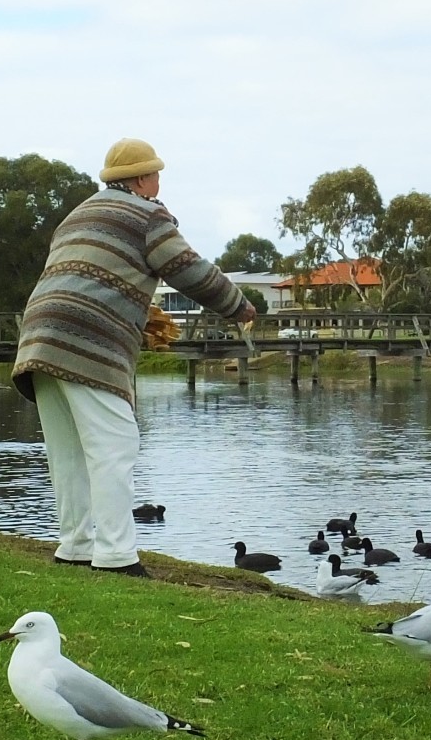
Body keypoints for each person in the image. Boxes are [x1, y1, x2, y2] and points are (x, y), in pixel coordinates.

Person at [14, 139, 255, 576]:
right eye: (157, 174)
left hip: (38, 336)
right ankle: (116, 557)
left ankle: (75, 546)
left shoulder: (77, 214)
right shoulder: (148, 215)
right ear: (142, 178)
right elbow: (189, 269)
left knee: (67, 451)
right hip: (87, 342)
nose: (160, 182)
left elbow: (91, 277)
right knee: (114, 446)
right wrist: (239, 306)